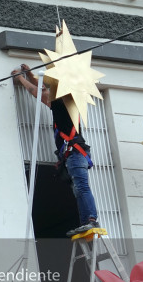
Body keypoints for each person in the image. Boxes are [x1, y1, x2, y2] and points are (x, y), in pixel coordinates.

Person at [12, 63, 99, 237]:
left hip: (75, 154)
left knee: (81, 187)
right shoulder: (67, 104)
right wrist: (29, 75)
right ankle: (86, 222)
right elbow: (43, 90)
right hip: (75, 154)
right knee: (78, 189)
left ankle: (90, 220)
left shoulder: (61, 104)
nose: (46, 88)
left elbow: (38, 93)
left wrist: (21, 78)